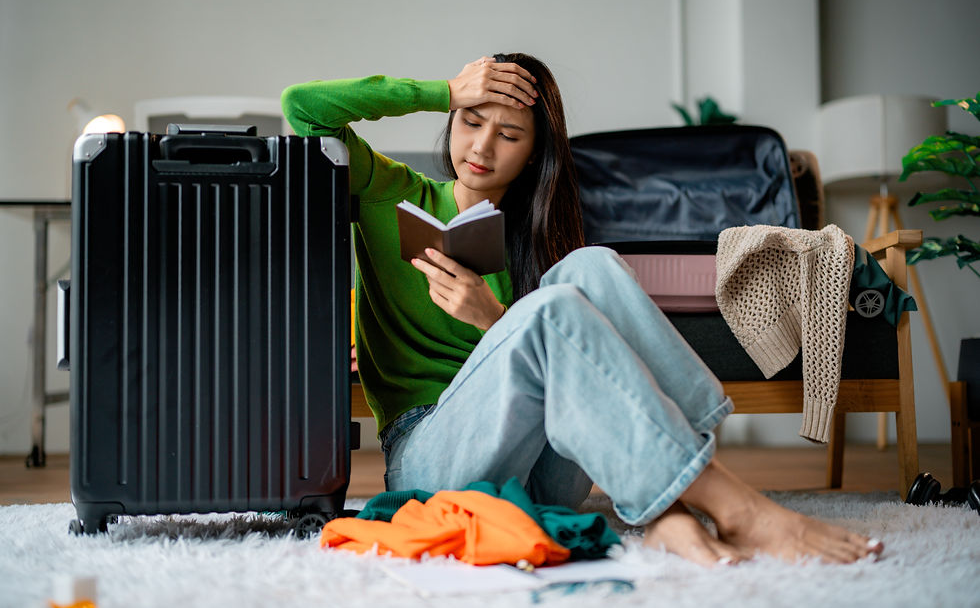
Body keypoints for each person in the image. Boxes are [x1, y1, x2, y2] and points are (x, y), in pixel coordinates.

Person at [281, 54, 884, 566]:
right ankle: (719, 503)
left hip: (541, 476)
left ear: (533, 155)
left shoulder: (530, 238)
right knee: (550, 312)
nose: (483, 148)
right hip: (430, 461)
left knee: (587, 266)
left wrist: (491, 315)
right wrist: (442, 89)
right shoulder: (389, 192)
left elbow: (560, 382)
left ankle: (676, 496)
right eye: (470, 120)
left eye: (510, 136)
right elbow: (303, 107)